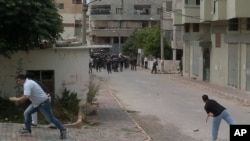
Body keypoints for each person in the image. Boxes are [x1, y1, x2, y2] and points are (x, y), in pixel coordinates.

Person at [9, 74, 67, 139]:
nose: (18, 82)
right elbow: (28, 95)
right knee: (27, 113)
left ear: (23, 79)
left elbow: (26, 96)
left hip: (43, 103)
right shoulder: (29, 82)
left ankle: (63, 130)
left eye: (19, 81)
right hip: (36, 103)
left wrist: (16, 99)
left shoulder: (27, 84)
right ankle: (27, 129)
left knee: (50, 118)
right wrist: (22, 99)